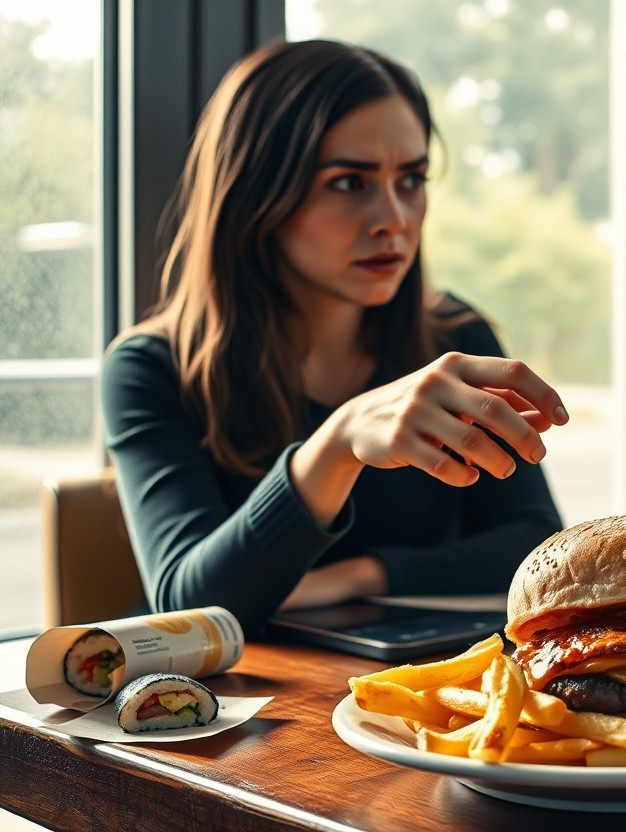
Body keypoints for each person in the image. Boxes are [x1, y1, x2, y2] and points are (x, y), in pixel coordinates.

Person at [101, 40, 569, 634]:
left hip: (406, 691)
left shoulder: (451, 338)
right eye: (350, 182)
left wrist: (357, 575)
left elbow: (538, 548)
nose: (395, 219)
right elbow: (186, 606)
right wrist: (339, 441)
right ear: (256, 195)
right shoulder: (153, 368)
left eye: (412, 178)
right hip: (239, 710)